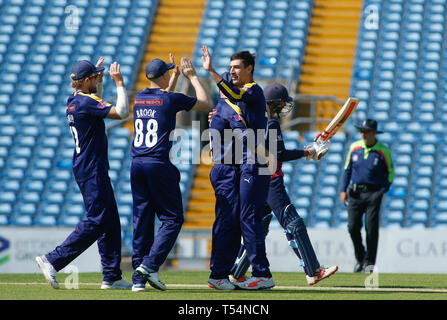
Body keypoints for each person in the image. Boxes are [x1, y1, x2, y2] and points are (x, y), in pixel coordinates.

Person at [35, 58, 132, 290]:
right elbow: (122, 112)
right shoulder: (87, 102)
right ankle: (53, 259)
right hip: (91, 167)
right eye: (95, 77)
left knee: (110, 220)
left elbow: (93, 100)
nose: (99, 79)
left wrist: (95, 77)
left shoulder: (75, 100)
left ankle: (112, 276)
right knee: (98, 219)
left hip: (87, 165)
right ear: (87, 80)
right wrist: (119, 83)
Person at [228, 83, 338, 285]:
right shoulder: (271, 124)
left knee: (258, 228)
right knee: (292, 222)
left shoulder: (254, 122)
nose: (283, 107)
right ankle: (313, 271)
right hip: (270, 179)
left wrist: (307, 152)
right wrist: (308, 152)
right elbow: (279, 154)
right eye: (280, 103)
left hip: (253, 179)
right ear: (272, 103)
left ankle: (235, 273)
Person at [131, 56, 210, 292]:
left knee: (142, 220)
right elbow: (205, 102)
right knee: (173, 218)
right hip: (158, 163)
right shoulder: (169, 98)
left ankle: (138, 280)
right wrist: (192, 77)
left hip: (136, 164)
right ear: (164, 76)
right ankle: (150, 265)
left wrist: (173, 78)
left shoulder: (140, 98)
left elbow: (161, 101)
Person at [202, 46, 274, 290]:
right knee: (240, 219)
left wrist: (210, 71)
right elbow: (230, 106)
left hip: (255, 161)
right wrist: (218, 117)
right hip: (245, 163)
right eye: (229, 67)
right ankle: (230, 273)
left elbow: (233, 96)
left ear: (249, 69)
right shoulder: (240, 95)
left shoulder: (253, 91)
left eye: (236, 67)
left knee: (248, 218)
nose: (231, 71)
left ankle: (262, 274)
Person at [340, 119, 394, 272]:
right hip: (355, 193)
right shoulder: (354, 147)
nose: (363, 134)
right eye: (362, 131)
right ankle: (360, 258)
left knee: (371, 229)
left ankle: (369, 263)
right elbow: (347, 169)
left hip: (373, 194)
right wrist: (343, 190)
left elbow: (390, 172)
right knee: (352, 227)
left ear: (374, 133)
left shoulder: (383, 150)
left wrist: (383, 190)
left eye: (366, 131)